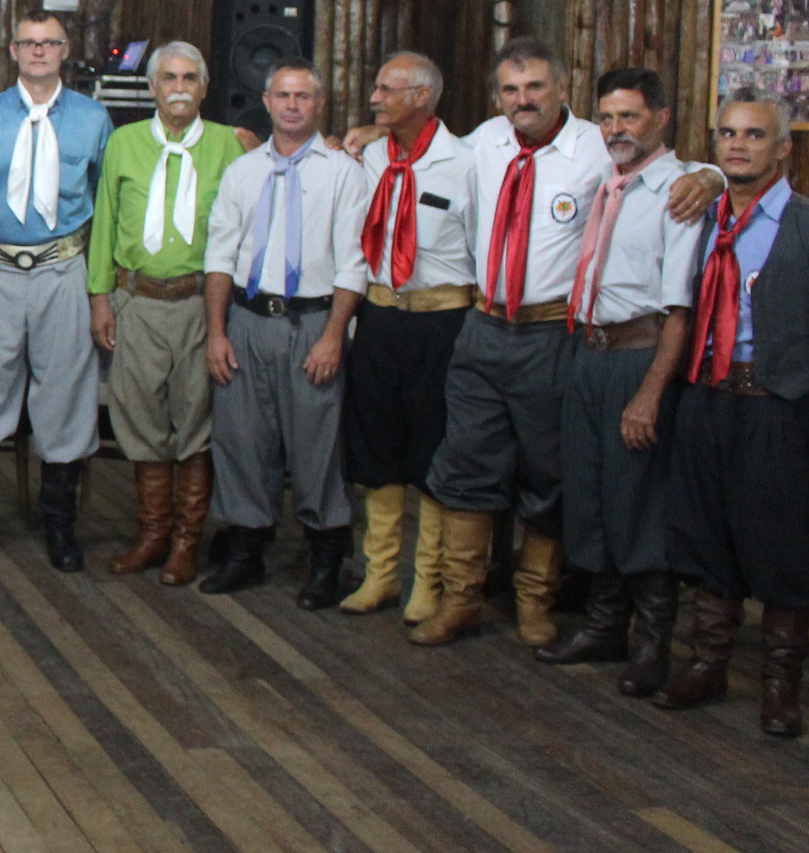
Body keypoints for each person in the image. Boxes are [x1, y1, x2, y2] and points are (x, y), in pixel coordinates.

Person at [413, 39, 720, 646]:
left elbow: (661, 171)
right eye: (509, 90)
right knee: (467, 462)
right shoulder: (482, 143)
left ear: (561, 89)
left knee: (549, 471)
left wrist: (708, 175)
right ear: (496, 95)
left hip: (554, 332)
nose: (522, 101)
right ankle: (461, 600)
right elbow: (417, 145)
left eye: (534, 88)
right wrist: (370, 131)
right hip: (482, 325)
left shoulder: (595, 149)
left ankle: (534, 603)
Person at [660, 98, 809, 738]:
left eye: (754, 135)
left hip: (779, 406)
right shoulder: (705, 221)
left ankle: (782, 684)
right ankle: (708, 662)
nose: (738, 145)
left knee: (781, 542)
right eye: (727, 133)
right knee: (706, 533)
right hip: (707, 398)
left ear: (782, 148)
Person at [544, 68, 701, 688]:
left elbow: (680, 309)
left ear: (661, 118)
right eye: (607, 118)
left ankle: (652, 640)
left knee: (640, 498)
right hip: (590, 349)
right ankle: (604, 624)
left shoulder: (679, 192)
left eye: (629, 117)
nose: (616, 130)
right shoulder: (608, 183)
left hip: (640, 355)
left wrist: (651, 393)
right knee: (589, 491)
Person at [0, 10, 113, 570]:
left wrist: (98, 291)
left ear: (65, 50)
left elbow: (104, 207)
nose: (39, 52)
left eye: (50, 43)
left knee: (64, 399)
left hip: (63, 272)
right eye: (28, 43)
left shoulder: (92, 119)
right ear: (12, 50)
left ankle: (60, 529)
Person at [200, 60, 369, 603]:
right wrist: (216, 332)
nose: (292, 105)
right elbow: (220, 255)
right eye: (282, 95)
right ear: (267, 101)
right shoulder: (243, 172)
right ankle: (245, 549)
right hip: (247, 321)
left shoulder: (344, 172)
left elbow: (352, 263)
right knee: (241, 440)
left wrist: (332, 336)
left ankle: (325, 558)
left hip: (313, 322)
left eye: (303, 96)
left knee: (316, 444)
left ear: (319, 104)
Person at [89, 41, 248, 585]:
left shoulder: (232, 145)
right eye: (168, 78)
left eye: (189, 78)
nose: (179, 87)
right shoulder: (125, 143)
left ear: (204, 87)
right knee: (140, 419)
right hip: (137, 300)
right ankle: (152, 535)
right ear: (151, 87)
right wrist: (100, 298)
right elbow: (105, 223)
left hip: (202, 303)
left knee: (196, 423)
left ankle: (186, 541)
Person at [338, 52, 476, 619]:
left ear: (422, 96)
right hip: (378, 317)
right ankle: (380, 575)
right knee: (377, 449)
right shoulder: (368, 155)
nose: (375, 97)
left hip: (442, 320)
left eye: (387, 90)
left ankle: (429, 582)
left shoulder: (466, 162)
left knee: (433, 452)